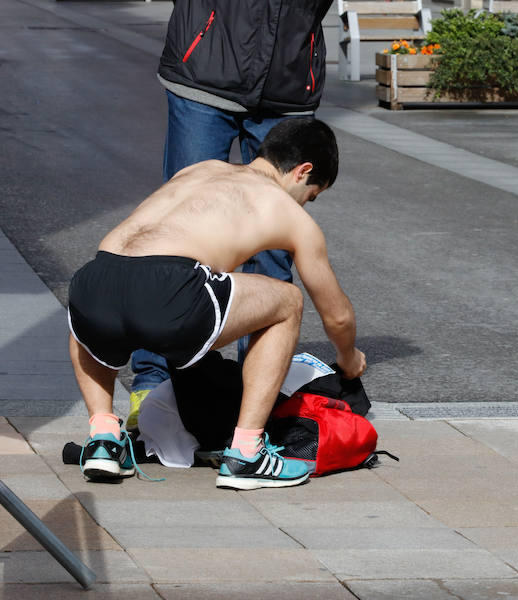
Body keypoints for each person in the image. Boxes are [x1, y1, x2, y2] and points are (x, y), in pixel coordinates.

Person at [68, 119, 366, 490]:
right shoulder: (289, 213)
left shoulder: (200, 169)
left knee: (100, 298)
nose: (308, 204)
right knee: (287, 301)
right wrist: (349, 357)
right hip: (169, 290)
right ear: (303, 171)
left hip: (92, 283)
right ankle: (246, 453)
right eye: (313, 194)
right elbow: (336, 316)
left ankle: (103, 437)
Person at [127, 0, 336, 431]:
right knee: (179, 233)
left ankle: (257, 392)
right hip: (206, 70)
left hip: (289, 82)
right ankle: (155, 378)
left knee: (276, 245)